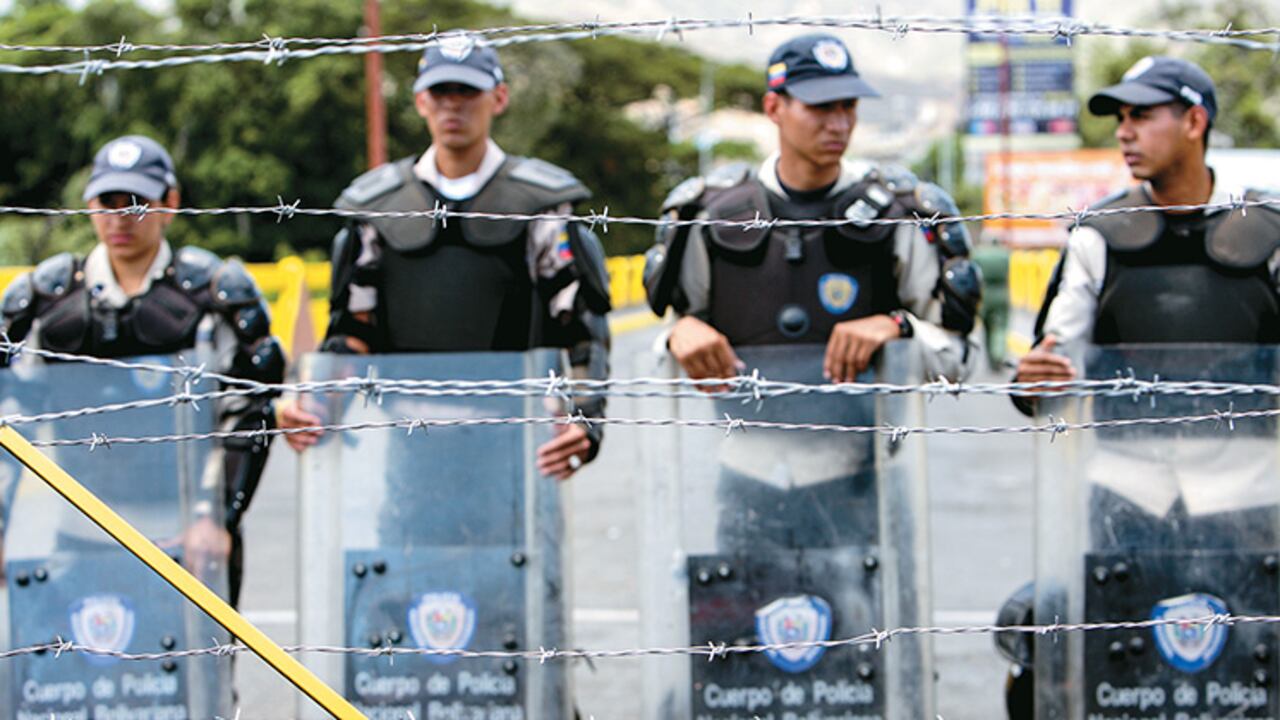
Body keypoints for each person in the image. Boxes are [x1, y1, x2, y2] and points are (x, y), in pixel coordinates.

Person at [999, 57, 1280, 719]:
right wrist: (1033, 380)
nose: (1125, 133)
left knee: (1247, 681)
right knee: (1117, 681)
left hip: (1249, 499)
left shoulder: (1267, 233)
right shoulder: (1100, 236)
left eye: (1142, 116)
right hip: (1127, 501)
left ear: (1194, 121)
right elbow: (1048, 366)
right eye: (1120, 119)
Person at [280, 39, 611, 476]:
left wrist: (584, 419)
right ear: (420, 101)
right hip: (408, 442)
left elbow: (581, 329)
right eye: (441, 92)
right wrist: (313, 405)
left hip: (521, 446)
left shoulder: (542, 205)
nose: (453, 106)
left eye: (467, 91)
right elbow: (350, 333)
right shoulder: (377, 208)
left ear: (499, 98)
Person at [0, 134, 283, 609]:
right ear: (89, 205)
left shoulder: (212, 297)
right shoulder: (48, 303)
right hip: (79, 531)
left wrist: (216, 518)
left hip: (187, 537)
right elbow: (10, 416)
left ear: (169, 203)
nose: (120, 217)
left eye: (136, 202)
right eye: (107, 202)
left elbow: (248, 408)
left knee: (198, 677)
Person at [644, 32, 980, 394]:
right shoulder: (709, 215)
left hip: (866, 444)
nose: (839, 124)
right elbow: (671, 358)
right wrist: (679, 333)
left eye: (848, 105)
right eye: (821, 107)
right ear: (774, 108)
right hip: (733, 443)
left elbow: (957, 361)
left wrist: (898, 328)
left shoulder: (897, 214)